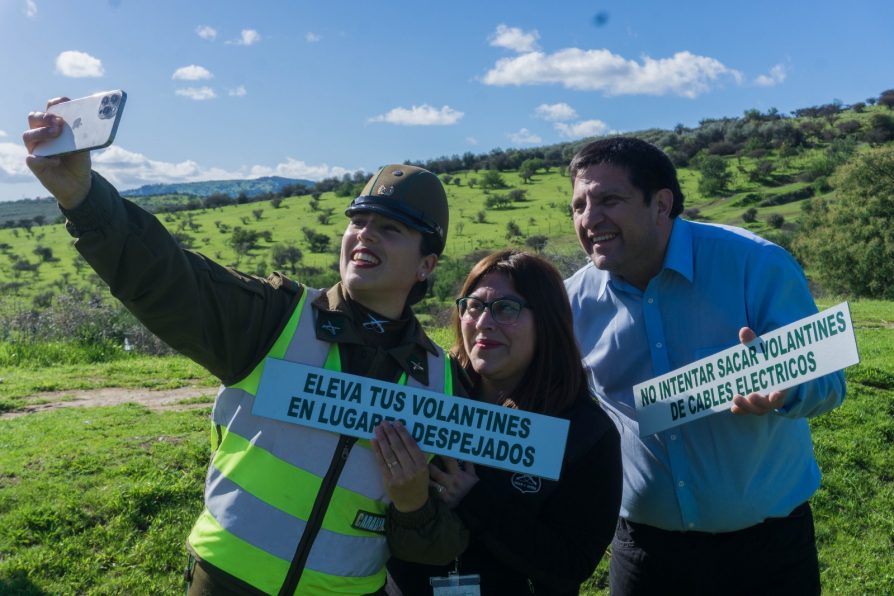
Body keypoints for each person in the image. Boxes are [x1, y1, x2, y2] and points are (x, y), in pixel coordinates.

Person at [23, 98, 468, 595]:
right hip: (225, 582)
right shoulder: (277, 317)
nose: (364, 235)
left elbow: (440, 542)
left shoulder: (441, 380)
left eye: (390, 228)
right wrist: (85, 200)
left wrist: (413, 505)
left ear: (427, 264)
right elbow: (169, 279)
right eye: (358, 221)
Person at [563, 136, 846, 595]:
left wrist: (786, 388)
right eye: (578, 206)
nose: (590, 219)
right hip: (645, 554)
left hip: (768, 554)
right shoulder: (572, 302)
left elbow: (830, 382)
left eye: (609, 200)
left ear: (661, 204)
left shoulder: (756, 264)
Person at [371, 250, 622, 595]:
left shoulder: (584, 433)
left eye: (507, 308)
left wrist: (475, 499)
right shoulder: (423, 395)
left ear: (547, 321)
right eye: (473, 306)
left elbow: (571, 562)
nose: (483, 322)